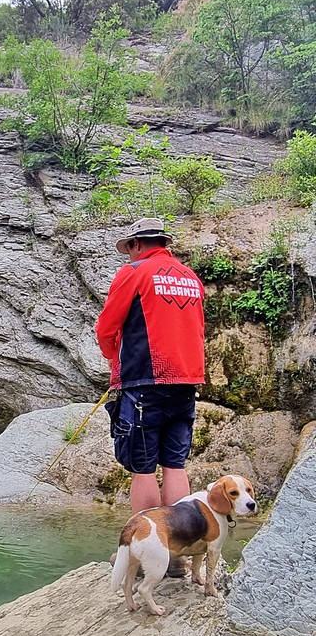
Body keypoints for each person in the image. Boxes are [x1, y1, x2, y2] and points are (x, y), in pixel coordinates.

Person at [96, 217, 205, 529]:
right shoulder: (190, 277)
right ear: (164, 243)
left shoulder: (133, 272)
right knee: (174, 464)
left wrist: (113, 360)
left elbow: (106, 328)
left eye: (129, 248)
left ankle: (148, 544)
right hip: (187, 381)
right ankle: (179, 544)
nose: (129, 255)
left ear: (136, 244)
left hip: (145, 381)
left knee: (142, 468)